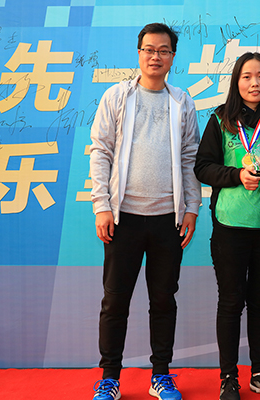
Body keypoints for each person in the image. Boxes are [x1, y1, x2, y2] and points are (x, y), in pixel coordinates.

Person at [89, 23, 201, 400]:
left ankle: (161, 375)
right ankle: (109, 378)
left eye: (163, 50)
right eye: (149, 49)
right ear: (139, 53)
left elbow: (190, 157)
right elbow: (100, 151)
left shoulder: (182, 101)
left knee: (163, 300)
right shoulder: (117, 96)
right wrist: (102, 205)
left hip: (169, 220)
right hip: (123, 219)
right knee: (115, 300)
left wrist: (191, 208)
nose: (156, 56)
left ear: (172, 56)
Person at [194, 52, 260, 400]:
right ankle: (228, 377)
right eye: (247, 77)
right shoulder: (220, 121)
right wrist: (236, 175)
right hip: (230, 226)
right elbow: (203, 167)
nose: (255, 83)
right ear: (236, 82)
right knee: (231, 301)